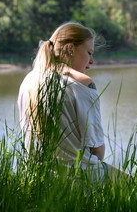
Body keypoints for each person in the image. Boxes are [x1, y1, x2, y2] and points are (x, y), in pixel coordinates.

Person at [18, 21, 127, 181]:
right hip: (78, 178)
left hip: (38, 176)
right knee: (134, 186)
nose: (92, 61)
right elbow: (98, 151)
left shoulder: (29, 80)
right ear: (70, 49)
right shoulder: (82, 84)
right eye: (89, 53)